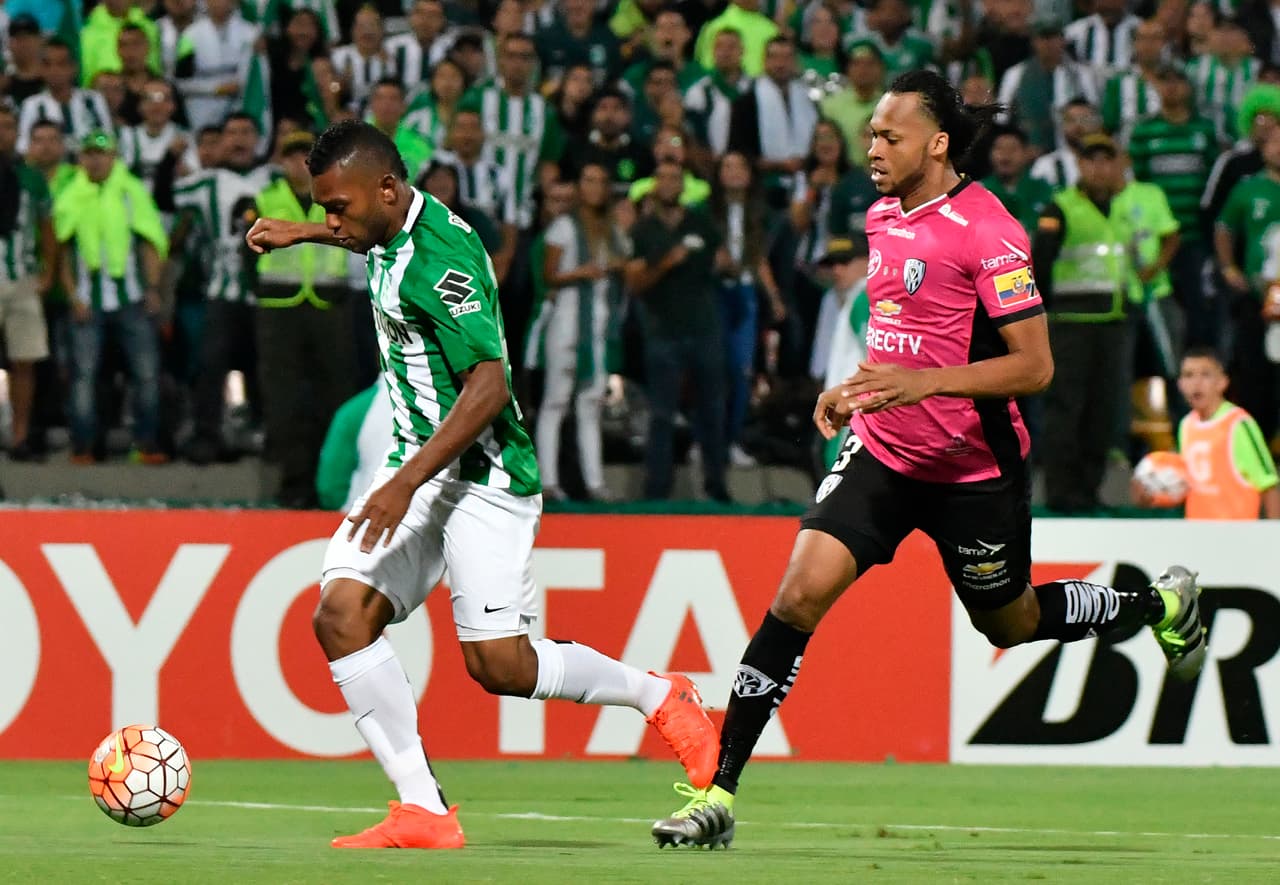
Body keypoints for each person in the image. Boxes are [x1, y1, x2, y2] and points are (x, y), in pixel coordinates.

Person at [649, 70, 1207, 850]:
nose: (871, 149)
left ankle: (1158, 605)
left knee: (1008, 620)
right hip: (884, 452)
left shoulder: (992, 229)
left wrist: (925, 383)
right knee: (797, 595)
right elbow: (903, 333)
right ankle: (717, 793)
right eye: (872, 135)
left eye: (889, 136)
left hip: (974, 469)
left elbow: (1037, 366)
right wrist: (857, 390)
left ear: (937, 143)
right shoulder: (880, 217)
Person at [244, 120, 716, 849]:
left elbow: (490, 386)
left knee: (501, 665)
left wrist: (403, 483)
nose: (333, 219)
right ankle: (423, 809)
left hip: (483, 475)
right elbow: (369, 233)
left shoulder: (444, 260)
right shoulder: (383, 221)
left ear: (388, 188)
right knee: (339, 615)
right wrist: (304, 231)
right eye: (324, 206)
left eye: (337, 207)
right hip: (417, 460)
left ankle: (661, 693)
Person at [250, 130, 357, 508]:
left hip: (329, 308)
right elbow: (244, 251)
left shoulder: (337, 198)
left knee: (333, 399)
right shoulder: (263, 199)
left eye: (307, 156)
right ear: (281, 161)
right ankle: (293, 485)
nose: (300, 163)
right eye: (292, 156)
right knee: (285, 401)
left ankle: (331, 484)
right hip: (280, 312)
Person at [54, 130, 169, 464]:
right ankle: (83, 446)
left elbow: (149, 242)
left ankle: (146, 444)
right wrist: (73, 296)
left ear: (114, 157)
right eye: (90, 153)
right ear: (81, 158)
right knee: (84, 375)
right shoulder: (71, 195)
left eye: (102, 153)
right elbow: (62, 250)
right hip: (88, 299)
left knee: (146, 373)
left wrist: (152, 289)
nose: (96, 159)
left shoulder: (131, 192)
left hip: (131, 297)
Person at [626, 159, 730, 502]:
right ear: (655, 186)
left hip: (704, 328)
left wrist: (724, 264)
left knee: (712, 410)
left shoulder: (701, 223)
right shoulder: (644, 230)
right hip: (662, 332)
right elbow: (634, 282)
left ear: (683, 186)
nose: (669, 184)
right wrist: (666, 263)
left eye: (676, 178)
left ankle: (716, 486)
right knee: (662, 415)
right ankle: (657, 490)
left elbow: (725, 261)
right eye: (663, 178)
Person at [528, 162, 626, 501]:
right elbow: (548, 274)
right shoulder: (564, 228)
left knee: (590, 402)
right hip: (567, 323)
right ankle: (548, 482)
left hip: (596, 327)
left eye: (600, 180)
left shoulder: (612, 231)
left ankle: (594, 482)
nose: (595, 186)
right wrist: (582, 272)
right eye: (588, 179)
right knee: (555, 400)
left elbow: (623, 263)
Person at [1134, 347, 1280, 519]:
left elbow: (1268, 485)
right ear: (1180, 384)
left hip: (1236, 537)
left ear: (1222, 382)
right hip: (1199, 536)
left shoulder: (1237, 424)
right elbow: (1190, 482)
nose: (1196, 383)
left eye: (1205, 375)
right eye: (1189, 375)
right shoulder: (1187, 426)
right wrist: (1152, 493)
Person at [0, 104, 57, 462]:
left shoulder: (31, 177)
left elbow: (47, 228)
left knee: (25, 360)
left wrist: (48, 272)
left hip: (21, 277)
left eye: (7, 126)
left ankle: (20, 436)